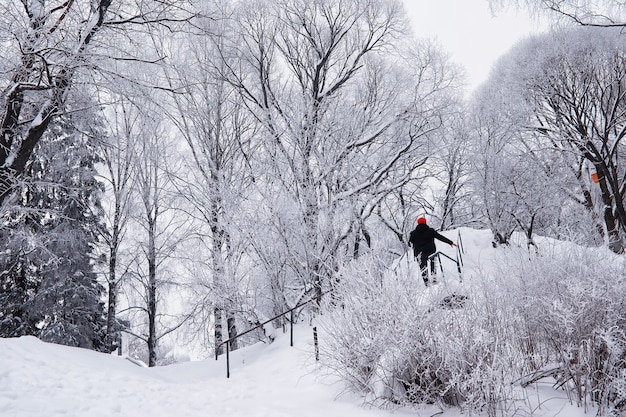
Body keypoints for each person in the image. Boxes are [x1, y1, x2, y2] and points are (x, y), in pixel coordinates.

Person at [408, 217, 456, 286]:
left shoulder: (413, 233)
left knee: (423, 268)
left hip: (419, 254)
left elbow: (409, 243)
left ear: (418, 223)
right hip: (430, 251)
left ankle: (426, 283)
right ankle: (434, 280)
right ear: (425, 222)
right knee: (432, 264)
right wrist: (450, 242)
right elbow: (440, 237)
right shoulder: (430, 231)